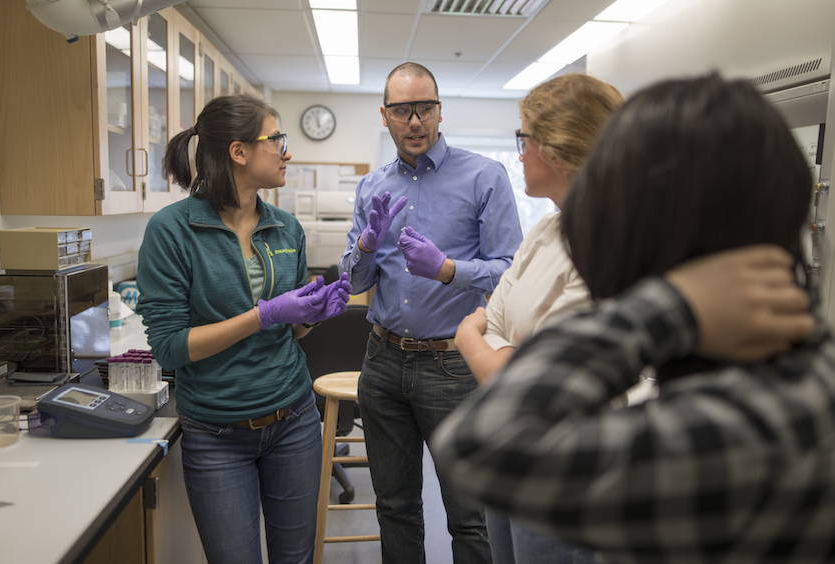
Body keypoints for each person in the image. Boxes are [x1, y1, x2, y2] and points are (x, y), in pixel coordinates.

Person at [432, 73, 827, 562]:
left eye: (616, 194)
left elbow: (481, 441)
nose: (598, 216)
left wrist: (669, 305)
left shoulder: (735, 428)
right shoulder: (810, 371)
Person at [136, 94, 352, 564]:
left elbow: (290, 333)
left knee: (295, 558)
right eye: (277, 139)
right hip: (216, 433)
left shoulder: (285, 229)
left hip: (294, 420)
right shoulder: (172, 231)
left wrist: (311, 316)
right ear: (239, 152)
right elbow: (170, 349)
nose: (286, 151)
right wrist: (265, 314)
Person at [339, 62, 523, 563]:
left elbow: (510, 272)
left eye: (424, 108)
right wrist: (367, 249)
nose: (415, 121)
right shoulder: (371, 187)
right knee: (395, 506)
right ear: (385, 116)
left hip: (454, 368)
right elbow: (353, 283)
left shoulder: (485, 176)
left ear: (440, 111)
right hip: (382, 362)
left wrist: (447, 270)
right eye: (402, 110)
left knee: (470, 515)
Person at [454, 73, 623, 564]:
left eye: (523, 137)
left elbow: (516, 369)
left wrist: (471, 342)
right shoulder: (550, 228)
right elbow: (497, 316)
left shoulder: (605, 243)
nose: (519, 151)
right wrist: (501, 349)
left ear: (558, 149)